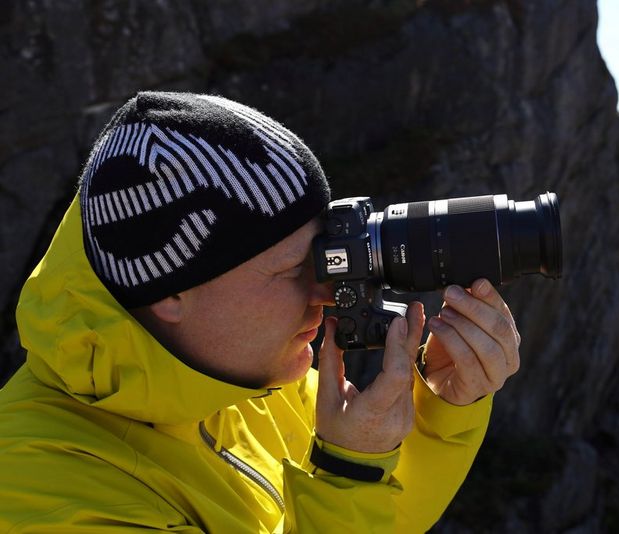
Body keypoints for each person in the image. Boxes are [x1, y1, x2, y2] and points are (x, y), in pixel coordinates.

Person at [0, 92, 521, 532]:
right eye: (294, 270)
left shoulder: (251, 374)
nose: (325, 291)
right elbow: (350, 502)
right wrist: (347, 470)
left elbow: (387, 514)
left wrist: (439, 414)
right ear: (171, 291)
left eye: (324, 255)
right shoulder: (35, 486)